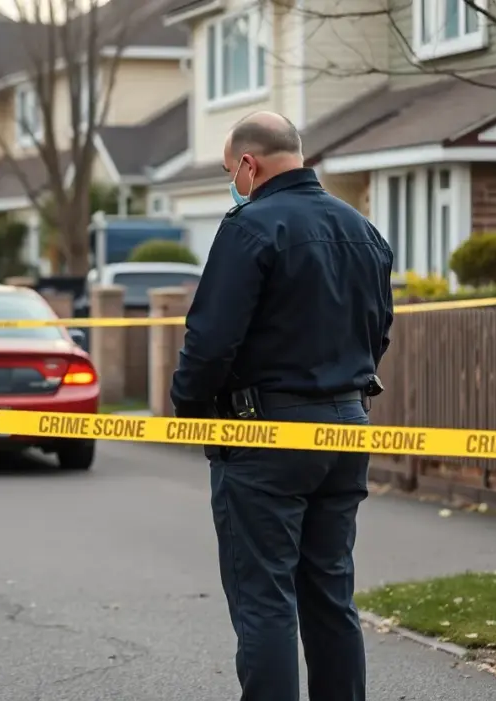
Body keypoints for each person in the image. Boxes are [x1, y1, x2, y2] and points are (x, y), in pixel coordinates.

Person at [169, 112, 394, 701]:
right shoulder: (363, 230)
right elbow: (379, 334)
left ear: (249, 164)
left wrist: (190, 408)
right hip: (349, 426)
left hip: (269, 434)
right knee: (330, 596)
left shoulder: (251, 227)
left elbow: (212, 339)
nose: (231, 182)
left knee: (265, 598)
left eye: (228, 171)